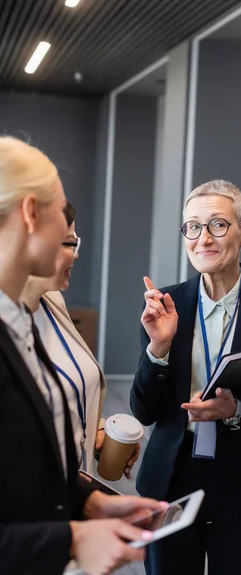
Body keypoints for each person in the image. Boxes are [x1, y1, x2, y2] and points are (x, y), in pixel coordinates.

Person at [0, 136, 165, 575]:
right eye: (62, 213)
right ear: (31, 213)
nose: (70, 238)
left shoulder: (18, 318)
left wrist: (89, 501)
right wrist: (70, 538)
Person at [130, 179, 241, 575]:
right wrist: (158, 349)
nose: (203, 238)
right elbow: (143, 410)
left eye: (218, 225)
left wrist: (236, 410)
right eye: (193, 226)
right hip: (171, 482)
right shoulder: (163, 305)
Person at [20, 202, 139, 477]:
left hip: (74, 496)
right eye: (68, 243)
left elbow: (64, 389)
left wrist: (95, 427)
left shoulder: (52, 300)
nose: (75, 255)